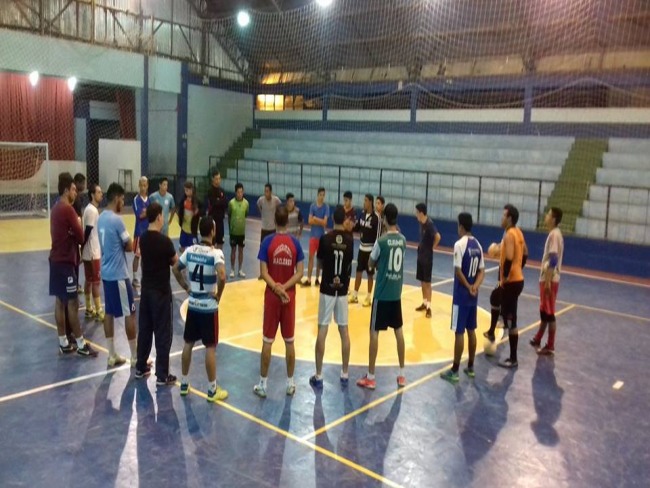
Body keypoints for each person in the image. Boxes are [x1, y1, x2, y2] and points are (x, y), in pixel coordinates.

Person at [173, 216, 229, 402]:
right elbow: (222, 276)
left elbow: (175, 269)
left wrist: (186, 287)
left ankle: (184, 382)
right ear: (212, 232)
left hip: (193, 304)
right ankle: (212, 389)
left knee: (188, 343)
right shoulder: (216, 254)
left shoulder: (189, 251)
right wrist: (218, 296)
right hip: (208, 307)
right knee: (210, 347)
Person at [254, 206, 305, 398]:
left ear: (275, 221)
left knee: (268, 341)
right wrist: (285, 287)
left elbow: (263, 272)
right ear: (287, 222)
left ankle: (263, 384)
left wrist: (276, 287)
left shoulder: (267, 242)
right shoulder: (295, 244)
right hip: (288, 298)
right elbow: (300, 272)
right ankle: (290, 383)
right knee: (289, 341)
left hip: (272, 298)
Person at [357, 203, 407, 389]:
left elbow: (370, 264)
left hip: (382, 293)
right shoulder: (403, 240)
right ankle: (402, 374)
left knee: (374, 333)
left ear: (385, 218)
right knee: (398, 331)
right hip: (396, 294)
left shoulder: (381, 241)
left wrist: (378, 264)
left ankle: (371, 376)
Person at [49, 172, 97, 357]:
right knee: (72, 303)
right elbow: (81, 236)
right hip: (66, 261)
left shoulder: (55, 209)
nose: (76, 193)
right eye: (74, 189)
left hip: (55, 260)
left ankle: (63, 342)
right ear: (67, 190)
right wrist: (76, 225)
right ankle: (80, 343)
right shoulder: (68, 210)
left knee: (60, 301)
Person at [309, 206, 354, 389]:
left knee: (323, 329)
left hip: (327, 289)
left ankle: (319, 375)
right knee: (344, 331)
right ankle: (344, 373)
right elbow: (349, 264)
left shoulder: (325, 239)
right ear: (344, 220)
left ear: (332, 219)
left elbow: (319, 262)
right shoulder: (350, 241)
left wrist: (322, 274)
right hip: (342, 291)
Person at [136, 202, 178, 385]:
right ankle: (162, 374)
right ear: (160, 217)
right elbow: (175, 261)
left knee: (145, 329)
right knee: (162, 333)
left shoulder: (144, 239)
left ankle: (140, 366)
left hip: (146, 291)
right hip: (160, 292)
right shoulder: (165, 241)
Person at [98, 183, 139, 368]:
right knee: (129, 313)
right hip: (119, 275)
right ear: (116, 199)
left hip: (106, 273)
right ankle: (135, 357)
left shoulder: (101, 218)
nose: (123, 203)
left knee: (109, 313)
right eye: (122, 199)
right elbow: (129, 245)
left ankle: (111, 354)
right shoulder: (116, 220)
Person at [441, 213, 485, 383]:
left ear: (461, 226)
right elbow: (482, 270)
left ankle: (455, 370)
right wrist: (475, 286)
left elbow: (458, 271)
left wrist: (467, 286)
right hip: (473, 297)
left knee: (459, 332)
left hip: (461, 295)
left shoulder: (459, 245)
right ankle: (471, 367)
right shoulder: (478, 245)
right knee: (471, 329)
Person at [485, 204, 528, 368]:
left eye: (504, 215)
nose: (501, 218)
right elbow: (524, 254)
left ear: (510, 218)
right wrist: (519, 270)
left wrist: (505, 278)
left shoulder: (510, 234)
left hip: (511, 282)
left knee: (511, 320)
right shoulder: (518, 232)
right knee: (496, 298)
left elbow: (509, 258)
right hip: (517, 280)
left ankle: (513, 358)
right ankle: (492, 331)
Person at [530, 207, 564, 356]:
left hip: (550, 278)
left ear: (554, 219)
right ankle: (538, 337)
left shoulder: (554, 236)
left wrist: (549, 281)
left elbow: (554, 258)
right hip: (547, 277)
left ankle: (550, 346)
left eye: (549, 214)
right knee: (544, 310)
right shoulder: (553, 234)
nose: (546, 216)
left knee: (549, 313)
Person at [349, 194, 380, 307]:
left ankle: (368, 297)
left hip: (370, 250)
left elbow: (378, 236)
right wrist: (351, 225)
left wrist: (376, 252)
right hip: (361, 248)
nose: (364, 202)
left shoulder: (376, 218)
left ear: (370, 202)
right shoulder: (362, 214)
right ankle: (355, 295)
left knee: (370, 274)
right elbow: (357, 227)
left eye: (366, 200)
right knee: (358, 272)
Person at [81, 183, 104, 321]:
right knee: (96, 282)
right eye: (99, 192)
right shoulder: (92, 211)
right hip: (92, 252)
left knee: (89, 281)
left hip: (89, 251)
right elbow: (87, 231)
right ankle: (98, 310)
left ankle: (89, 308)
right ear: (92, 194)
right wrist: (82, 247)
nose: (101, 194)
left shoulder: (91, 210)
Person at [415, 203, 441, 318]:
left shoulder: (429, 224)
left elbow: (438, 236)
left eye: (416, 212)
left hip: (427, 257)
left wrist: (432, 247)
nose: (415, 214)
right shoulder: (421, 223)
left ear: (421, 213)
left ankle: (429, 307)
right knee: (421, 280)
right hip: (420, 255)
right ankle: (424, 303)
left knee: (427, 282)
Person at [302, 187, 329, 286]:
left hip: (321, 237)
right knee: (311, 258)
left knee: (320, 259)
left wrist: (315, 219)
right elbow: (309, 221)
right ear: (317, 195)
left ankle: (317, 279)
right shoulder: (312, 206)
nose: (322, 197)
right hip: (313, 236)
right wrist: (320, 221)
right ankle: (309, 279)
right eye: (320, 195)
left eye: (323, 195)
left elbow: (325, 223)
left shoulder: (326, 207)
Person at [227, 183, 249, 278]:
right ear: (235, 192)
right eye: (238, 192)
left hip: (241, 232)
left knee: (241, 250)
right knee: (233, 250)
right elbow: (229, 215)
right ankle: (232, 269)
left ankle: (240, 270)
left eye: (241, 192)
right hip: (233, 232)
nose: (240, 194)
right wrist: (230, 227)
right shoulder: (231, 203)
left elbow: (246, 214)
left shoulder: (246, 203)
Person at [132, 176, 149, 288]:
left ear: (147, 186)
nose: (143, 187)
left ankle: (145, 276)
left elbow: (148, 214)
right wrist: (148, 212)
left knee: (146, 257)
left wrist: (146, 212)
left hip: (148, 233)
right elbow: (140, 215)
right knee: (137, 256)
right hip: (139, 233)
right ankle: (134, 277)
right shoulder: (136, 199)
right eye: (141, 185)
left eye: (145, 185)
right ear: (139, 185)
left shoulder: (150, 199)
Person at [206, 170, 227, 249]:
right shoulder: (210, 191)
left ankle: (218, 259)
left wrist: (219, 201)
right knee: (211, 243)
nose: (218, 181)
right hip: (212, 220)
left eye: (219, 178)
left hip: (220, 221)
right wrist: (219, 201)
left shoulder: (222, 191)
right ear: (212, 179)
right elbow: (214, 203)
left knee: (220, 242)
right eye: (216, 179)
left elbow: (225, 203)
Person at [72, 173, 86, 294]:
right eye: (83, 183)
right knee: (76, 259)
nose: (84, 185)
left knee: (77, 259)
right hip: (76, 231)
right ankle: (74, 284)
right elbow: (77, 216)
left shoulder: (78, 197)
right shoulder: (75, 198)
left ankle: (75, 283)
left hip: (77, 229)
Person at [178, 181, 201, 254]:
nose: (186, 192)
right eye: (185, 190)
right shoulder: (183, 200)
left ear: (191, 190)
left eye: (187, 190)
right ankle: (183, 262)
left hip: (192, 230)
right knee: (182, 247)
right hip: (184, 229)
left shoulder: (196, 200)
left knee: (194, 249)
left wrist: (198, 211)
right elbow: (179, 210)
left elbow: (203, 209)